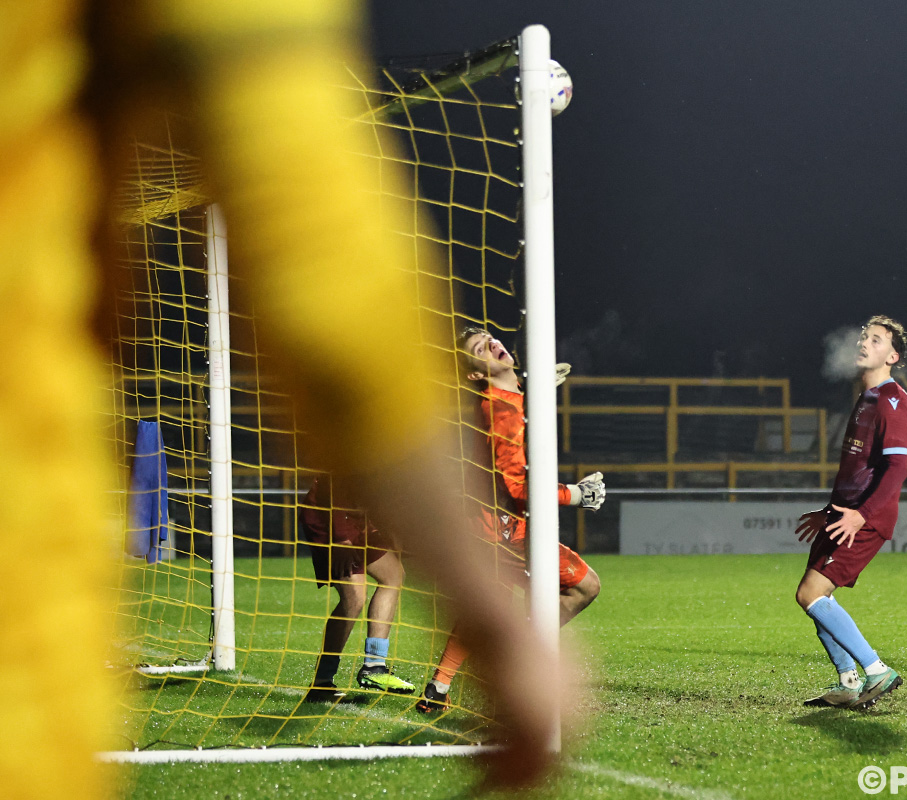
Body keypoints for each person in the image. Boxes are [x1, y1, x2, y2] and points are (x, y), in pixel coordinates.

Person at [2, 2, 560, 795]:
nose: (497, 350)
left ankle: (346, 673)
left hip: (312, 501)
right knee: (372, 585)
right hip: (32, 558)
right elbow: (314, 246)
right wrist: (487, 609)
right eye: (486, 349)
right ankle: (355, 671)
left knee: (375, 583)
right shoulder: (474, 397)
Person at [416, 327, 605, 714]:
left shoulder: (507, 398)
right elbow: (518, 487)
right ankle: (521, 668)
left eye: (490, 338)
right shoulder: (499, 411)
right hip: (505, 528)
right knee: (584, 587)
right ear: (475, 373)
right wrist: (576, 494)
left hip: (491, 524)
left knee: (492, 607)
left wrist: (534, 390)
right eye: (480, 348)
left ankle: (438, 688)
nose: (492, 345)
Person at [795, 316, 907, 709]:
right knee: (815, 595)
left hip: (865, 518)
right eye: (864, 337)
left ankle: (877, 670)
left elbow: (897, 469)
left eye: (876, 340)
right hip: (843, 514)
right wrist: (830, 511)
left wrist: (860, 516)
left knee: (811, 594)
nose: (864, 343)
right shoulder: (867, 398)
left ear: (892, 356)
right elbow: (857, 469)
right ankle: (848, 682)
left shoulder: (893, 400)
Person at [301, 478, 415, 702]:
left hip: (356, 519)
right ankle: (322, 682)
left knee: (393, 575)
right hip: (327, 517)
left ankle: (374, 666)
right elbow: (333, 484)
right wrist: (341, 539)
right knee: (354, 598)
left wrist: (391, 535)